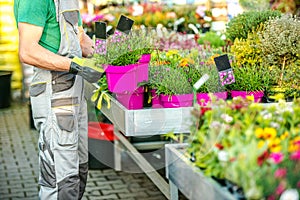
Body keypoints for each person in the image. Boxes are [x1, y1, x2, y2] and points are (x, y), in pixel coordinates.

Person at [14, 0, 103, 199]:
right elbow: (27, 51)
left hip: (74, 91)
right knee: (59, 180)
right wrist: (76, 66)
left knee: (76, 173)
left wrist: (106, 57)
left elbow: (79, 38)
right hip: (54, 92)